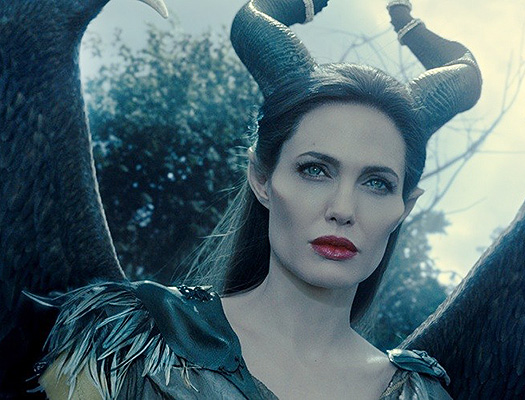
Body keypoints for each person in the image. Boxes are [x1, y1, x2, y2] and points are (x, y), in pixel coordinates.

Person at [37, 0, 481, 398]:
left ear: (405, 206)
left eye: (377, 183)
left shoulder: (419, 393)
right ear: (262, 179)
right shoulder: (128, 344)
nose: (343, 210)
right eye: (315, 170)